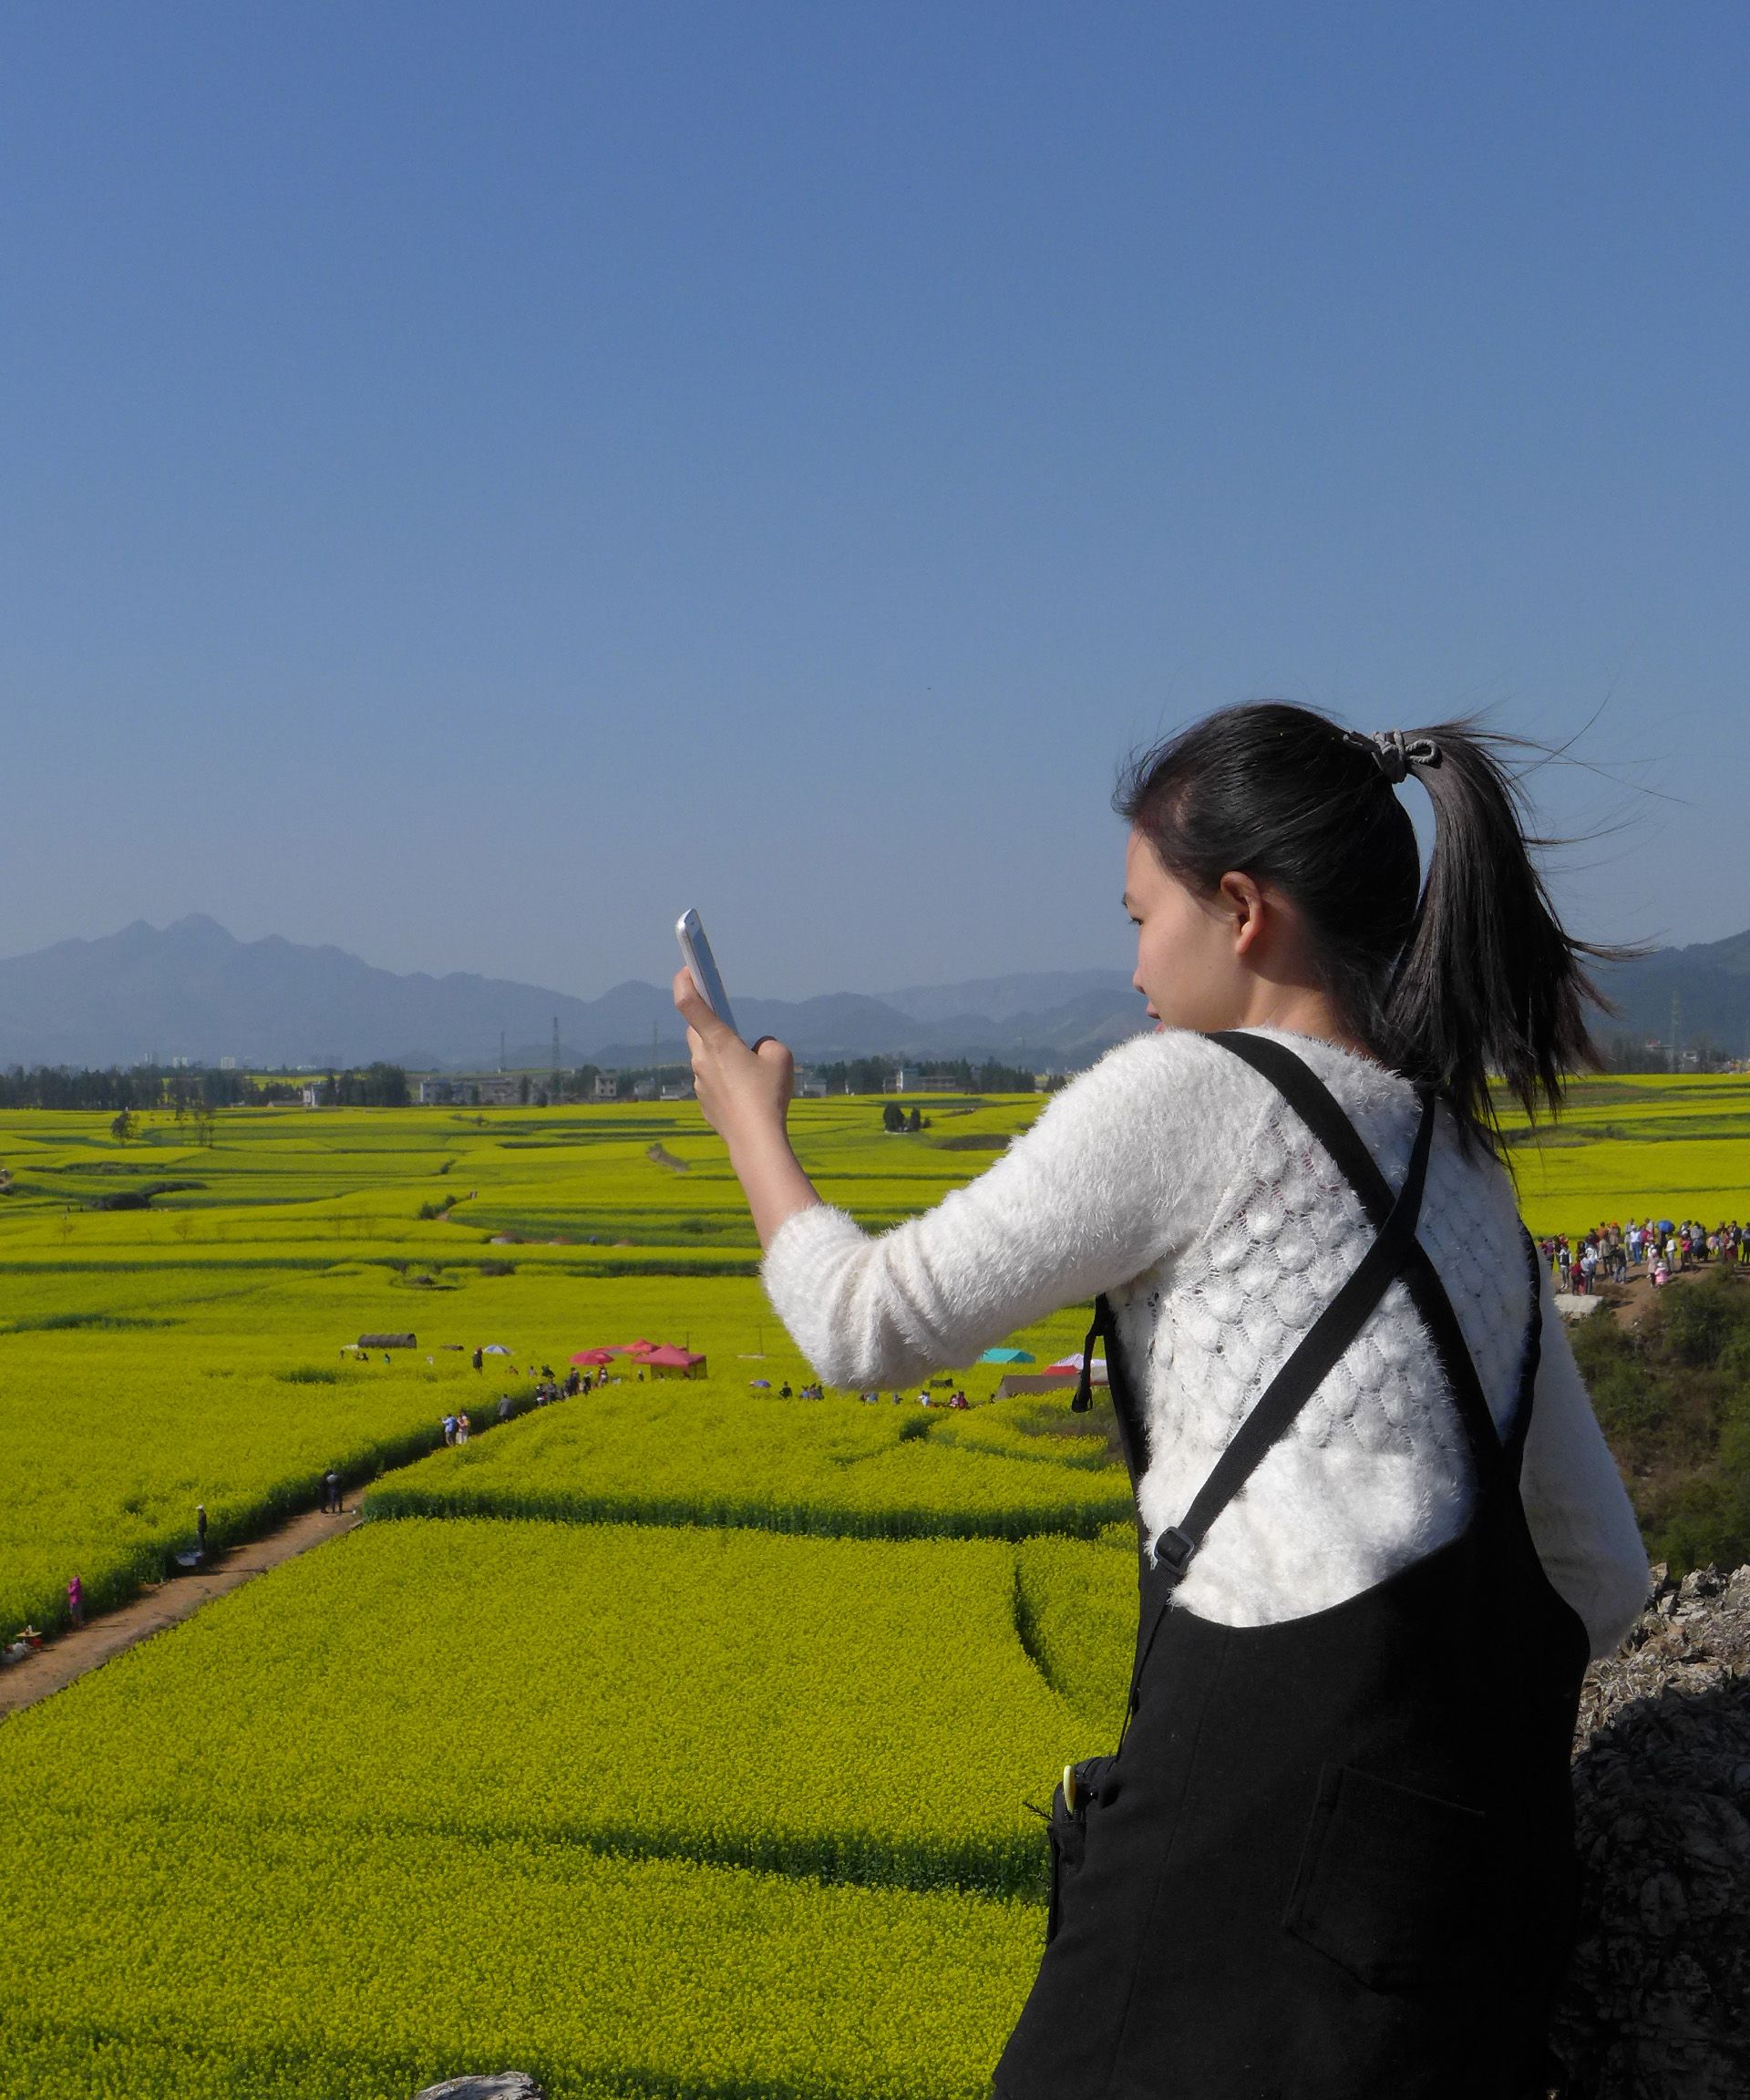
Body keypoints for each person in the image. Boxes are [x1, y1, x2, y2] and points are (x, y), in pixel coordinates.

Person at [674, 703, 1649, 2098]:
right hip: (1464, 1920)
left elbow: (860, 1324)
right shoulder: (1467, 1165)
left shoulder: (1192, 1095)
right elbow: (1600, 1572)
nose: (1131, 965)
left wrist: (748, 1122)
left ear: (1243, 911)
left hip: (1237, 1889)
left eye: (1141, 917)